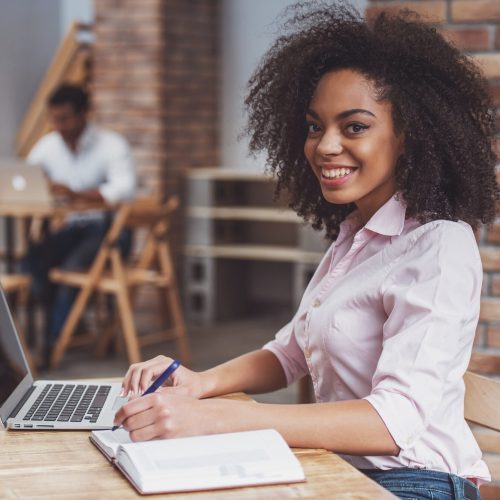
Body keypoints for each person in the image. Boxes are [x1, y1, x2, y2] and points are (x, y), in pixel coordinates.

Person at [113, 4, 497, 499]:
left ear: (409, 136)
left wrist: (223, 418)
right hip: (340, 470)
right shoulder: (355, 234)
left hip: (415, 482)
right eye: (315, 126)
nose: (324, 146)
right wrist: (198, 385)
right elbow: (291, 351)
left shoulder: (438, 246)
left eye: (354, 126)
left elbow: (393, 423)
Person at [24, 83, 136, 346]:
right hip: (73, 229)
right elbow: (28, 175)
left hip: (110, 232)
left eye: (64, 118)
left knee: (70, 268)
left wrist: (76, 194)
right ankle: (67, 331)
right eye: (54, 119)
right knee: (34, 262)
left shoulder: (111, 145)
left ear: (84, 113)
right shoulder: (48, 146)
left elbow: (124, 189)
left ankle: (53, 345)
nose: (58, 125)